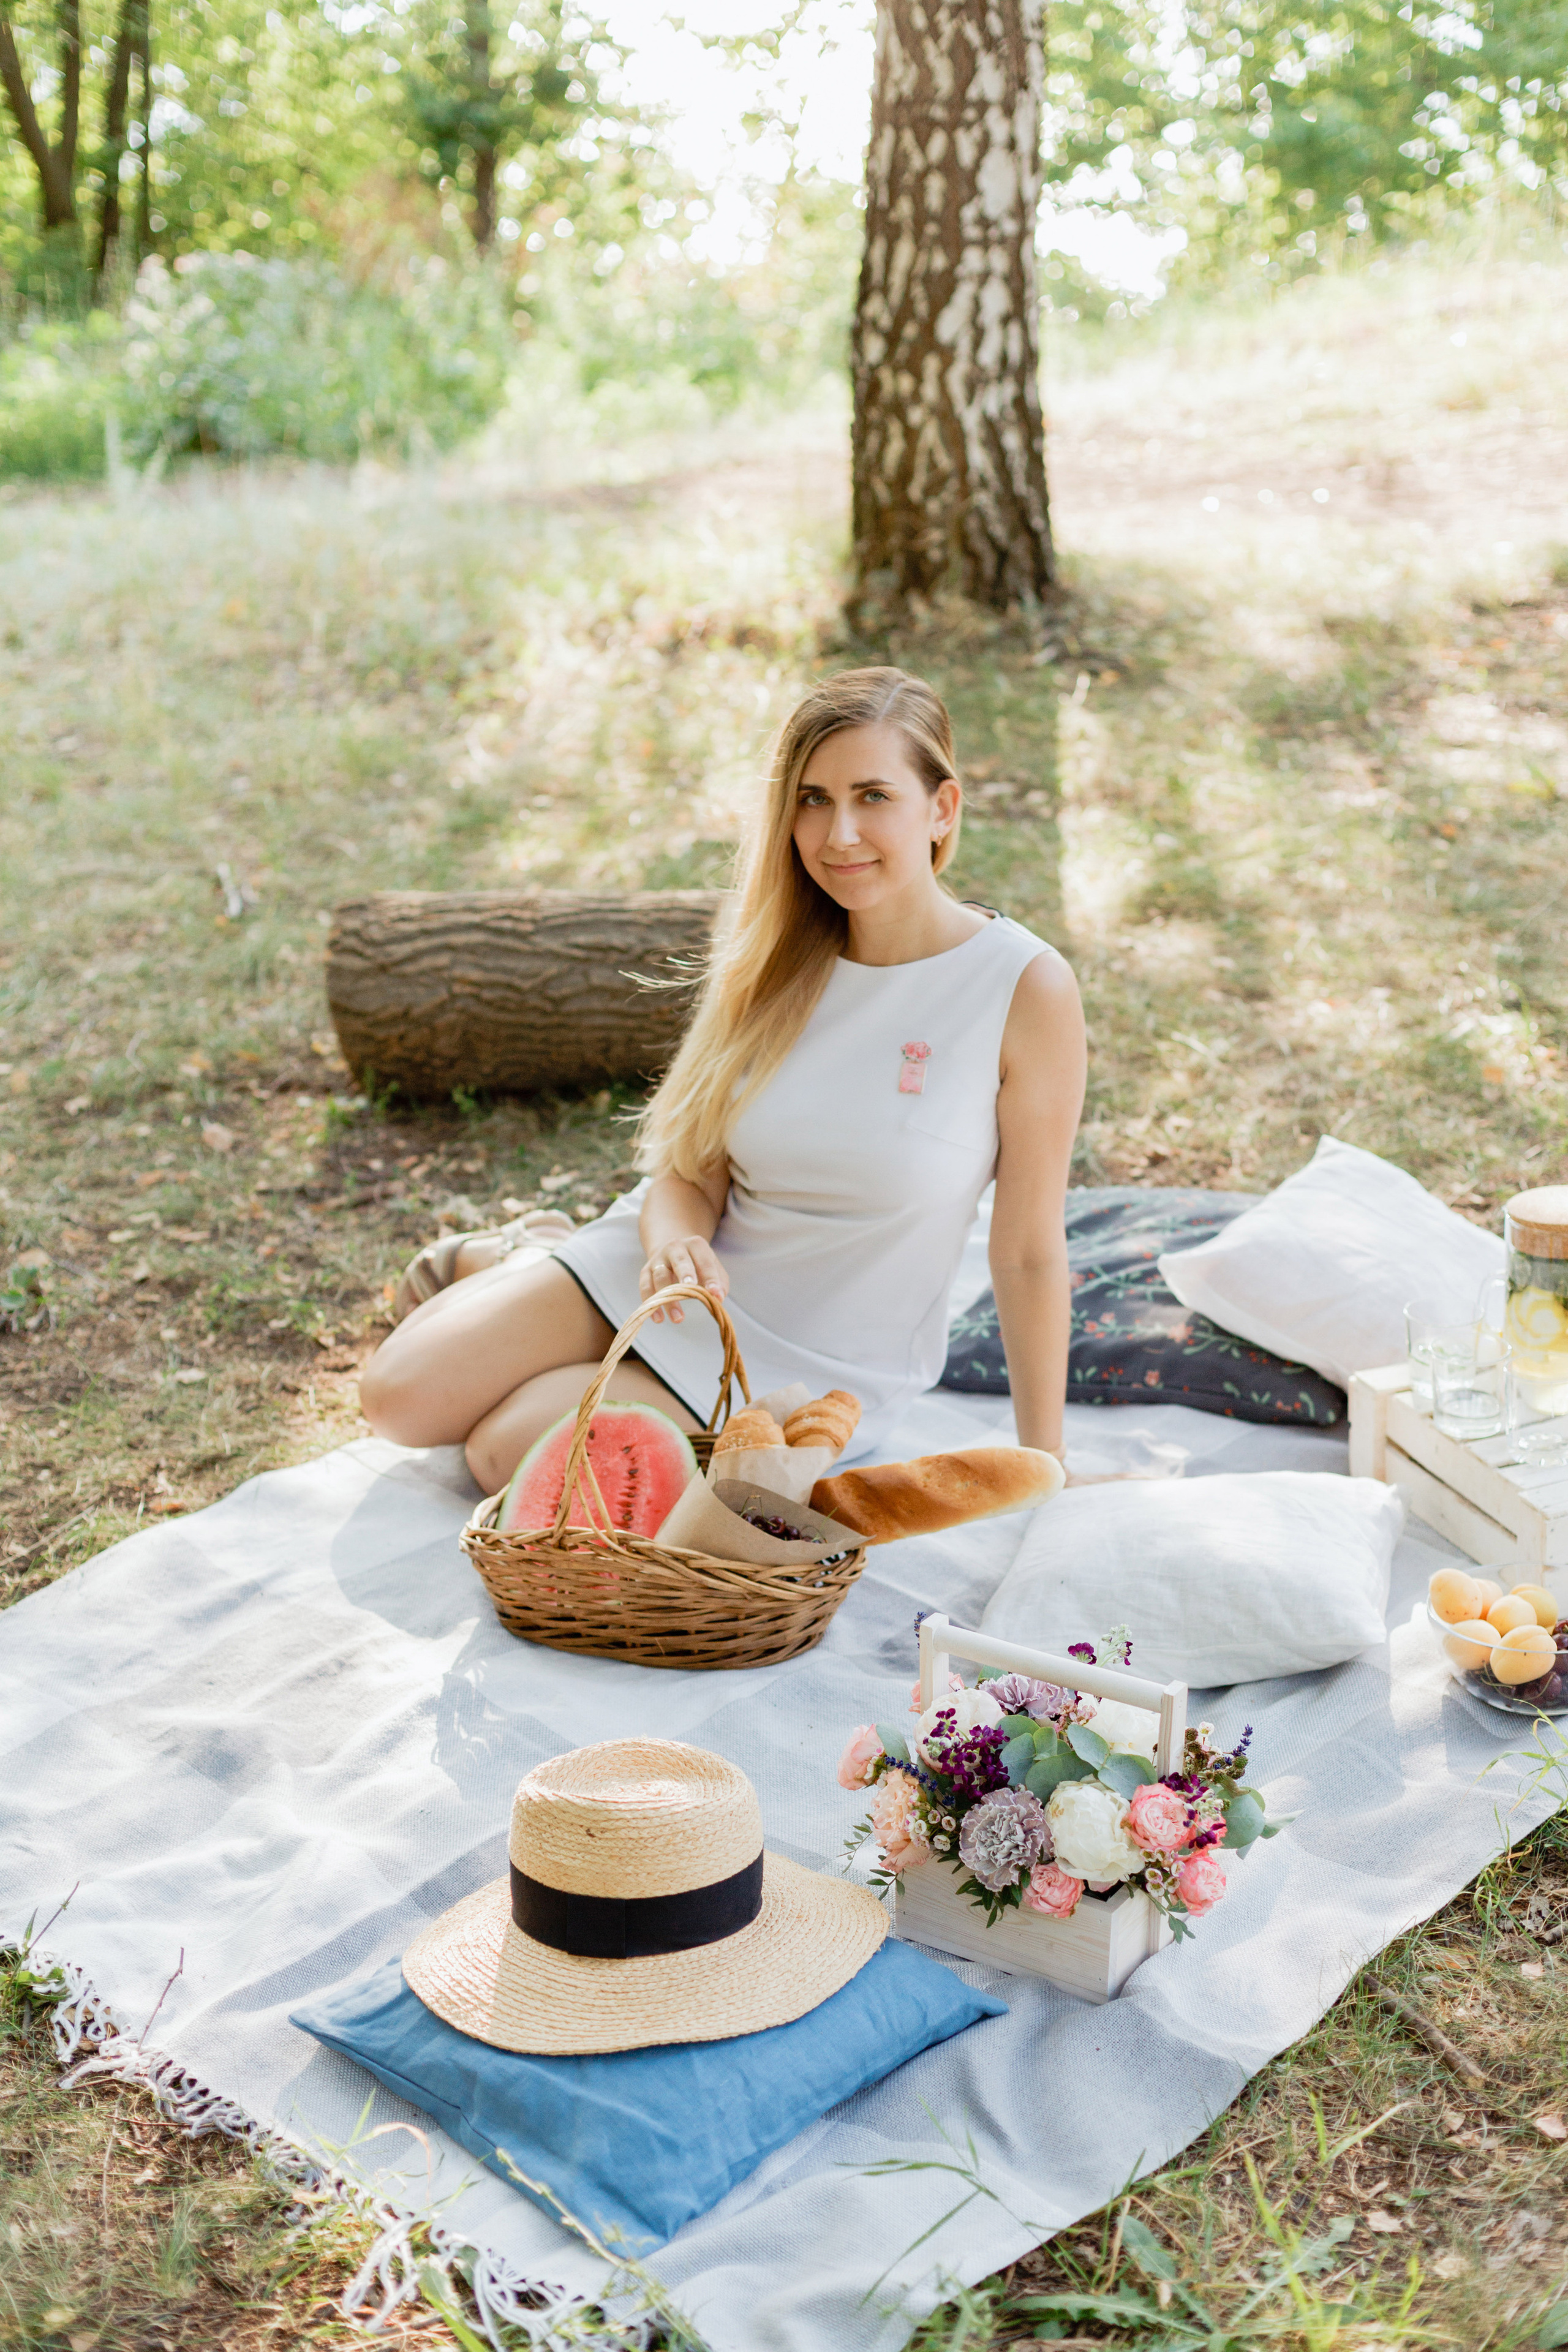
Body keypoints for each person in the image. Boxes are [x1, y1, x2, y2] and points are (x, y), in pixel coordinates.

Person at [359, 666, 1087, 1492]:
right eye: (812, 799)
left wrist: (1044, 1463)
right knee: (398, 1402)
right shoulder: (779, 958)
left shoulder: (1022, 987)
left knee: (504, 1454)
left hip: (812, 1361)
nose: (838, 833)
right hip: (670, 1279)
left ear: (942, 808)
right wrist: (671, 1243)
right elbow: (691, 1168)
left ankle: (527, 1262)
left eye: (873, 796)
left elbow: (1027, 1251)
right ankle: (543, 1254)